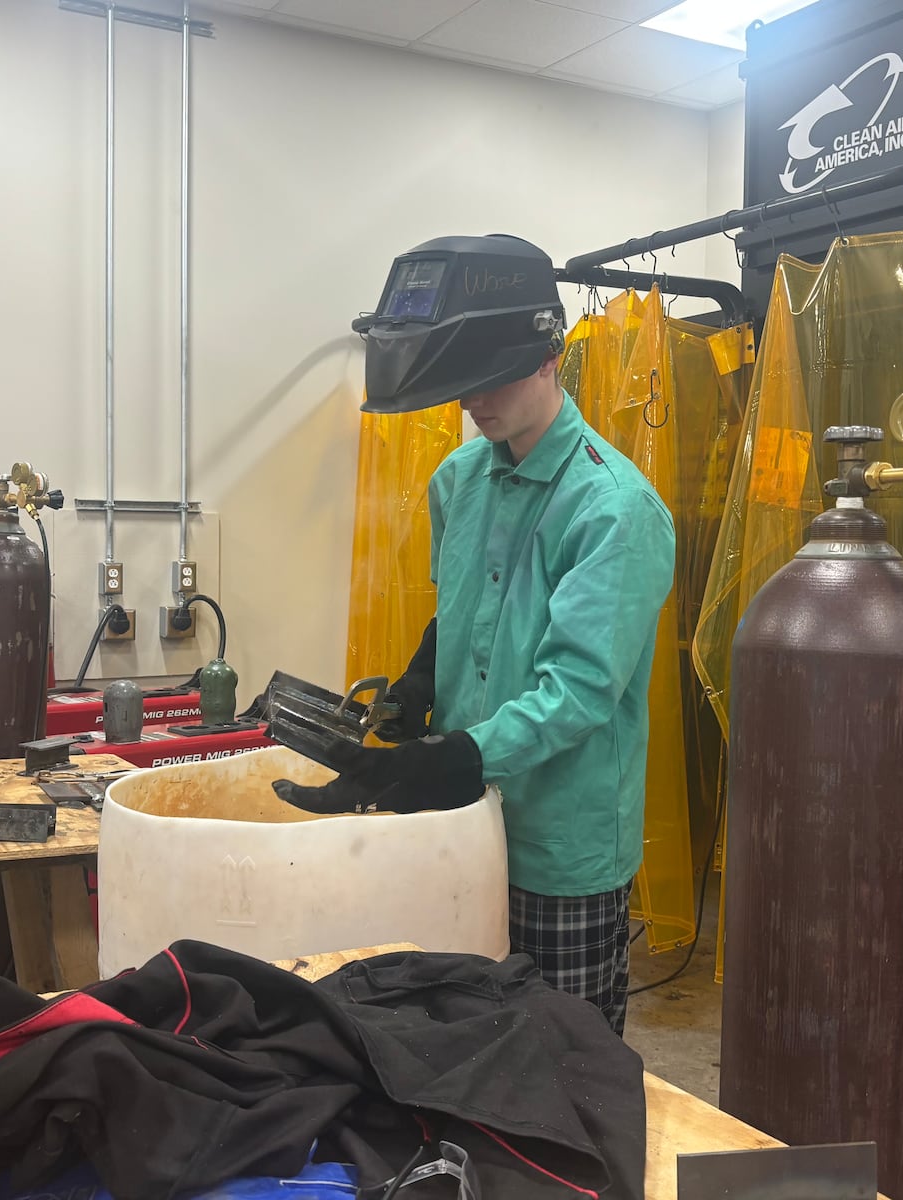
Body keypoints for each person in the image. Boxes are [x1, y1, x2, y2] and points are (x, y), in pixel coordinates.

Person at [275, 234, 675, 1034]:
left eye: (488, 378)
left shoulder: (613, 510)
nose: (472, 402)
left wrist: (453, 757)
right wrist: (419, 686)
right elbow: (461, 609)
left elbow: (579, 691)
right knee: (464, 1032)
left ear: (546, 357)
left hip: (560, 844)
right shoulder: (456, 480)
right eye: (459, 383)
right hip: (464, 824)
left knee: (565, 1053)